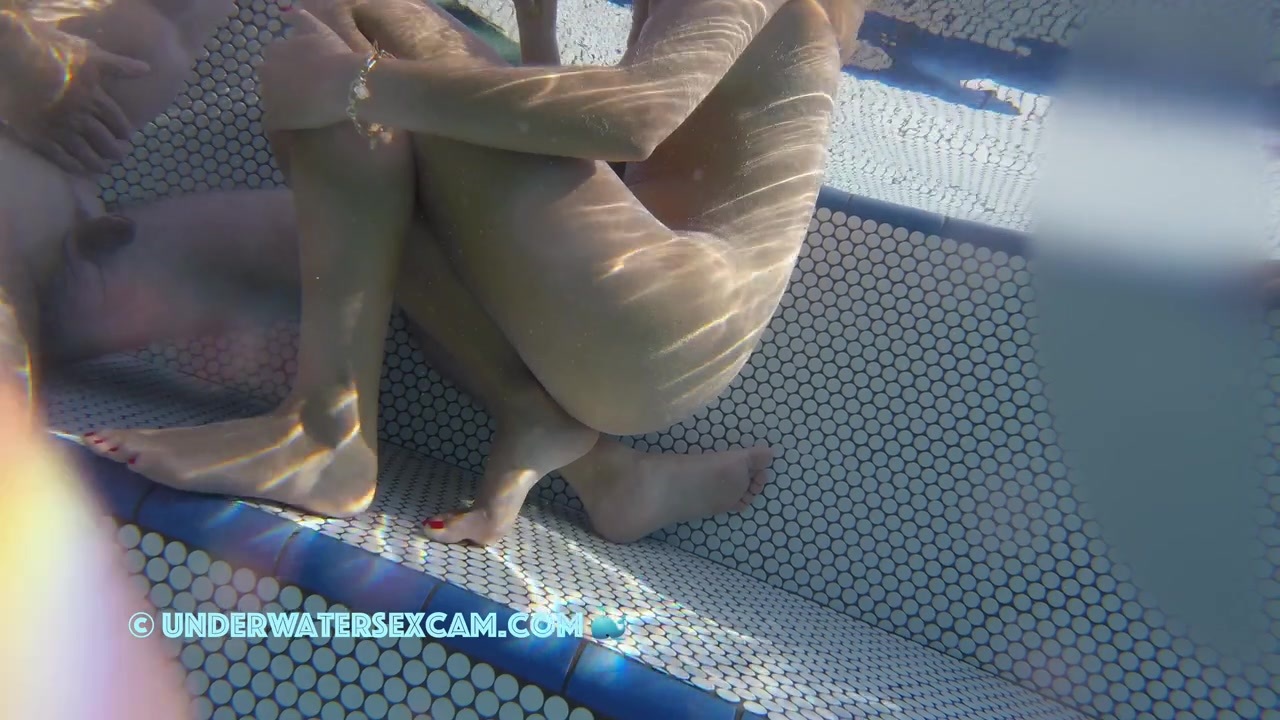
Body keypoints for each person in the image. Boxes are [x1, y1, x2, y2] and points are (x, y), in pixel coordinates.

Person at [79, 0, 866, 546]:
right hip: (658, 337)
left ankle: (326, 429)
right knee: (402, 186)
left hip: (662, 304)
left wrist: (359, 84)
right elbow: (602, 175)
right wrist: (537, 32)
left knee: (351, 24)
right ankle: (604, 470)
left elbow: (634, 118)